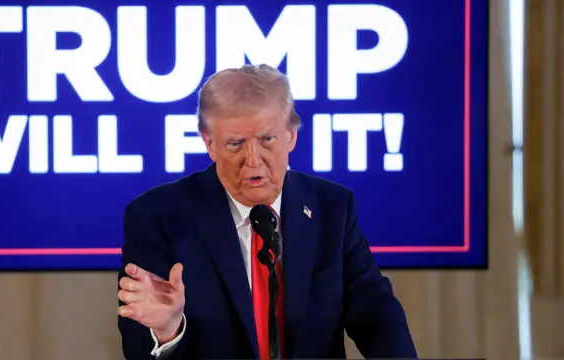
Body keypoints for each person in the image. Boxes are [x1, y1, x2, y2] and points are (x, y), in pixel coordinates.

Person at [117, 64, 417, 359]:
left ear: (291, 136)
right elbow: (137, 347)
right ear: (210, 144)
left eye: (267, 140)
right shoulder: (158, 216)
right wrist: (168, 331)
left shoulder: (332, 208)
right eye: (235, 144)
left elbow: (377, 316)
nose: (253, 160)